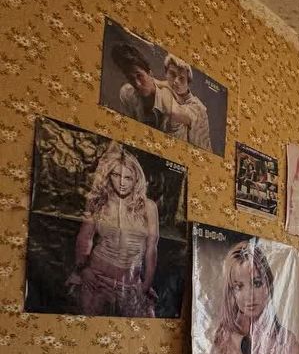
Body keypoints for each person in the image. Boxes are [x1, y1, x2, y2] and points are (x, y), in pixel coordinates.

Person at [66, 142, 160, 317]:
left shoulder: (149, 207)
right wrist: (84, 269)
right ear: (109, 176)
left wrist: (146, 283)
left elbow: (152, 248)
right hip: (97, 279)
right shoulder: (98, 201)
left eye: (128, 178)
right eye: (116, 175)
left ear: (136, 179)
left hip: (131, 284)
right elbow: (85, 239)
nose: (122, 182)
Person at [161, 54, 212, 152]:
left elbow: (173, 112)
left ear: (188, 83)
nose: (176, 81)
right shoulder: (159, 93)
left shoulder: (197, 108)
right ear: (165, 73)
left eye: (181, 78)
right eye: (172, 74)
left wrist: (164, 86)